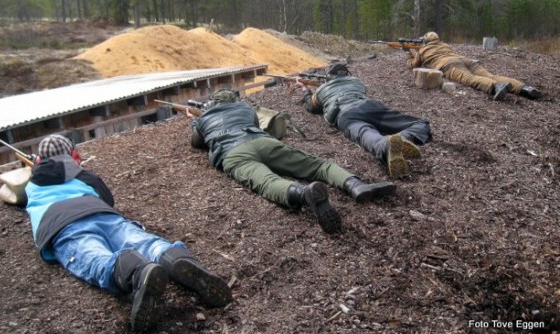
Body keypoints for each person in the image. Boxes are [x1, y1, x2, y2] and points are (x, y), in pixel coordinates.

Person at [25, 134, 232, 332]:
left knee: (95, 258)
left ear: (39, 160)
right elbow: (108, 198)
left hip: (64, 225)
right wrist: (78, 170)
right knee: (144, 242)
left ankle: (137, 271)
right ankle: (173, 257)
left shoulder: (32, 185)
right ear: (73, 155)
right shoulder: (83, 176)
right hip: (103, 214)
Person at [189, 89, 397, 234]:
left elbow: (197, 143)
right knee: (318, 165)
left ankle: (302, 193)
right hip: (262, 141)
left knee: (267, 182)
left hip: (234, 153)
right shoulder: (244, 109)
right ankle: (356, 185)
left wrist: (195, 122)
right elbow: (253, 123)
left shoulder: (204, 119)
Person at [298, 63, 433, 178]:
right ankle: (404, 138)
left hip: (347, 115)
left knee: (365, 134)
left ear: (328, 77)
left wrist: (305, 89)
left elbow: (312, 107)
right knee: (420, 124)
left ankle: (386, 146)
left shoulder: (322, 89)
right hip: (370, 106)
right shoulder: (357, 82)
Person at [407, 31, 542, 101]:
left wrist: (410, 54)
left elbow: (414, 65)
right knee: (491, 75)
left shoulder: (422, 50)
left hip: (448, 65)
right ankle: (525, 88)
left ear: (425, 41)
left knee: (470, 79)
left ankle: (495, 87)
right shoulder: (444, 44)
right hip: (465, 60)